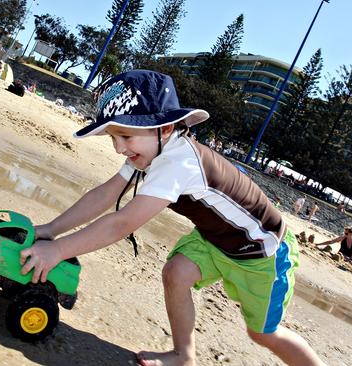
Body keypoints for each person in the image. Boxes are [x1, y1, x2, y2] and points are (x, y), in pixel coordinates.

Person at [19, 70, 323, 366]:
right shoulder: (149, 151)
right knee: (176, 273)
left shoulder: (179, 162)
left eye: (125, 135)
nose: (118, 148)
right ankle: (183, 356)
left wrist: (58, 250)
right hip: (214, 240)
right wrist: (51, 229)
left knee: (263, 334)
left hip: (263, 252)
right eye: (113, 137)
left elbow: (122, 222)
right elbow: (106, 194)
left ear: (165, 128)